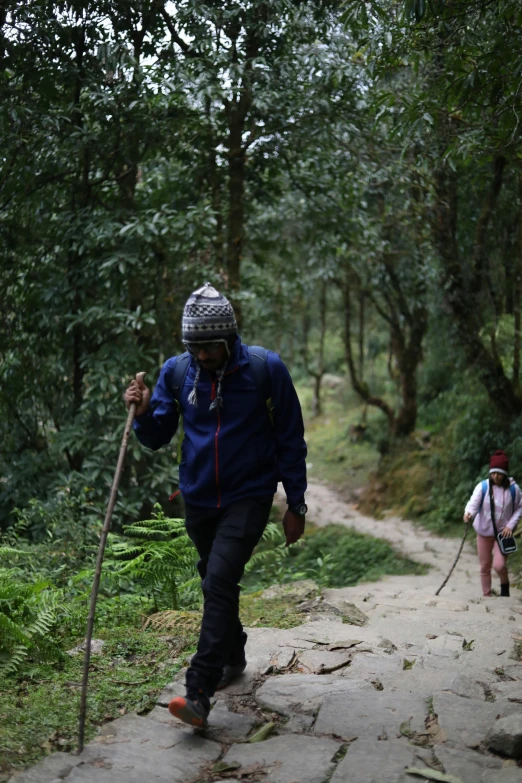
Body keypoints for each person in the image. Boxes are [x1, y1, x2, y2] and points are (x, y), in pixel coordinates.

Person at [124, 283, 307, 728]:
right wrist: (145, 411)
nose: (202, 355)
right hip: (199, 499)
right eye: (195, 347)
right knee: (214, 578)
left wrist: (295, 504)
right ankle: (235, 651)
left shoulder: (266, 370)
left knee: (218, 581)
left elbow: (290, 440)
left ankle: (199, 691)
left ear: (229, 339)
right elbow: (156, 437)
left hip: (249, 496)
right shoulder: (177, 371)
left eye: (210, 346)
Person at [463, 450, 521, 598]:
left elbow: (520, 508)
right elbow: (473, 503)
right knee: (484, 566)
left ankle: (504, 585)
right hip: (483, 532)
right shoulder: (483, 487)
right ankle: (486, 596)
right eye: (493, 473)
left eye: (499, 473)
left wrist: (510, 525)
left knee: (499, 566)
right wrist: (468, 513)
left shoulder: (514, 490)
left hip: (503, 534)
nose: (496, 476)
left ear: (505, 473)